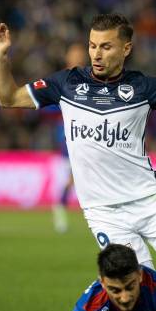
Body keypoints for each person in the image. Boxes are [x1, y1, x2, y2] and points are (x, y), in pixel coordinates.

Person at [0, 14, 156, 311]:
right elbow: (8, 97)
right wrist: (1, 57)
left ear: (126, 49)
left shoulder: (144, 87)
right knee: (147, 292)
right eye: (93, 45)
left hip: (149, 201)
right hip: (104, 213)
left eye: (106, 46)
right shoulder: (66, 83)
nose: (96, 53)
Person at [52, 43, 87, 233]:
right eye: (75, 54)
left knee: (78, 175)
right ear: (68, 57)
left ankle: (61, 206)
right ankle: (60, 207)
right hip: (67, 131)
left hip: (89, 131)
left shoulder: (91, 78)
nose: (79, 57)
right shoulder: (60, 80)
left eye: (81, 54)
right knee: (73, 174)